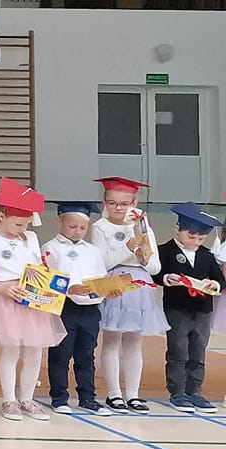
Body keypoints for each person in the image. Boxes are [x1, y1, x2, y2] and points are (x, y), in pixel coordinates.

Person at [0, 178, 65, 421]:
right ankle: (9, 400)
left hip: (31, 299)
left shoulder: (30, 238)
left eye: (26, 224)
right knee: (11, 350)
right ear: (2, 215)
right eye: (18, 223)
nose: (23, 228)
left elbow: (37, 266)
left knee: (35, 351)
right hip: (4, 299)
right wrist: (0, 288)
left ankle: (28, 399)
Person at [91, 176, 165, 413]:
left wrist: (143, 256)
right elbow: (101, 262)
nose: (118, 208)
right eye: (112, 203)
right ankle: (114, 394)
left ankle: (133, 394)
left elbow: (155, 267)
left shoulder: (143, 226)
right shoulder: (100, 227)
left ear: (134, 202)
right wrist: (127, 248)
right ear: (105, 202)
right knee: (112, 340)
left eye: (124, 204)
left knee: (134, 342)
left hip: (139, 285)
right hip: (114, 283)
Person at [44, 201, 110, 415]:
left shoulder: (92, 250)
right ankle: (59, 397)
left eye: (82, 227)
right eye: (72, 226)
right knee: (61, 354)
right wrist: (69, 289)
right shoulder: (50, 248)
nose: (77, 231)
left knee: (86, 355)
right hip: (65, 307)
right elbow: (46, 279)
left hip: (90, 309)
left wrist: (109, 289)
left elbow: (101, 277)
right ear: (60, 220)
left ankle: (87, 397)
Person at [157, 204, 222, 414]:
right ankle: (177, 392)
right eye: (191, 236)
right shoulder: (165, 251)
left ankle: (194, 391)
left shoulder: (206, 255)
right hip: (177, 308)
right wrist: (167, 278)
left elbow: (220, 279)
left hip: (202, 309)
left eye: (200, 239)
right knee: (178, 350)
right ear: (178, 229)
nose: (195, 242)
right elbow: (156, 274)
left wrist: (214, 284)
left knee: (198, 351)